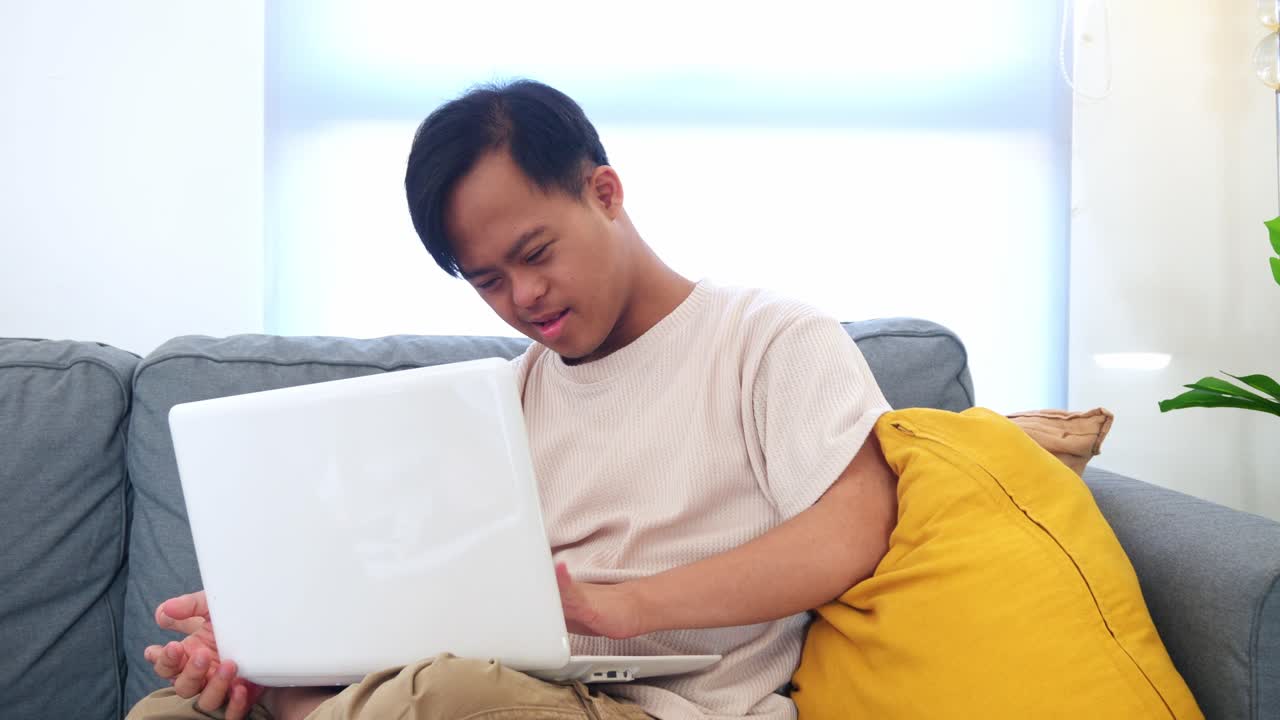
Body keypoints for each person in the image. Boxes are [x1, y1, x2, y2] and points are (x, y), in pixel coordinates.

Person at [128, 79, 898, 720]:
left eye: (535, 254)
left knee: (434, 700)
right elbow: (428, 596)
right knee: (171, 711)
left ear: (605, 192)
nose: (524, 296)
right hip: (520, 688)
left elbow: (855, 528)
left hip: (663, 706)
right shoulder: (508, 395)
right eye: (487, 280)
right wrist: (274, 641)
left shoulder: (765, 338)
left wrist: (627, 607)